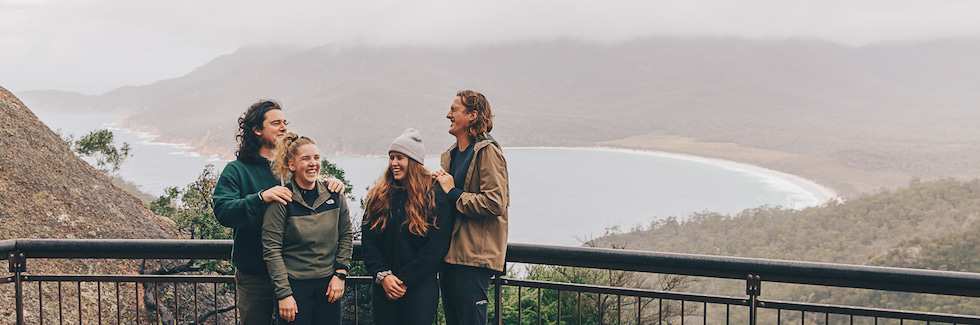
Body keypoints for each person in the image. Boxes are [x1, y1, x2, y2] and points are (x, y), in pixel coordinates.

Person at [212, 100, 343, 325]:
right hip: (256, 275)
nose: (283, 127)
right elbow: (223, 211)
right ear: (256, 129)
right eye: (275, 123)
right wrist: (261, 197)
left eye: (285, 122)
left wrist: (330, 185)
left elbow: (312, 191)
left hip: (296, 276)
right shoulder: (237, 170)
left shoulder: (293, 168)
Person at [432, 90, 510, 325]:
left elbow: (495, 202)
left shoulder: (487, 151)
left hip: (474, 260)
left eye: (454, 110)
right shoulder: (452, 155)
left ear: (473, 115)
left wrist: (452, 192)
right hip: (450, 257)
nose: (448, 115)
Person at [361, 128, 452, 325]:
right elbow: (368, 241)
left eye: (399, 157)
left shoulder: (435, 196)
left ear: (414, 161)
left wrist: (403, 279)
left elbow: (437, 247)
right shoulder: (378, 196)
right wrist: (383, 275)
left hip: (420, 290)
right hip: (384, 288)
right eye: (391, 157)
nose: (393, 163)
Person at [262, 133, 353, 325]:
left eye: (316, 158)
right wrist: (284, 293)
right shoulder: (282, 201)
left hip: (329, 287)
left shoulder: (334, 195)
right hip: (294, 288)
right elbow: (272, 250)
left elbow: (346, 235)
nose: (313, 163)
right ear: (292, 165)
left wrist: (340, 274)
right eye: (306, 158)